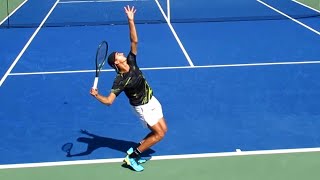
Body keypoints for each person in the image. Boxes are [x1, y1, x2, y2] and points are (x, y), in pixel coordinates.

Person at [90, 5, 168, 172]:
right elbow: (109, 101)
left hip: (152, 99)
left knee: (163, 130)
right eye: (118, 54)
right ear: (116, 63)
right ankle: (131, 157)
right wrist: (97, 95)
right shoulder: (120, 80)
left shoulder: (132, 61)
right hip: (142, 107)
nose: (121, 53)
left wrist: (130, 20)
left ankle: (137, 149)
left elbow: (134, 41)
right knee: (159, 134)